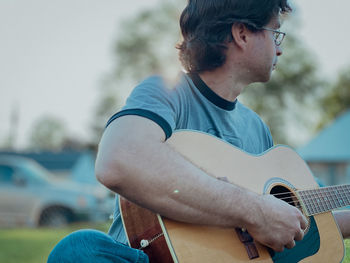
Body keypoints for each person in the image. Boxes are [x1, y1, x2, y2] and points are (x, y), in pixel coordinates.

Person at [48, 0, 350, 262]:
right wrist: (255, 210)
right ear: (242, 33)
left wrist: (272, 218)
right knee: (79, 250)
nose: (280, 49)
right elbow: (119, 160)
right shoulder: (166, 91)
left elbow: (292, 223)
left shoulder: (257, 129)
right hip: (149, 257)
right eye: (276, 33)